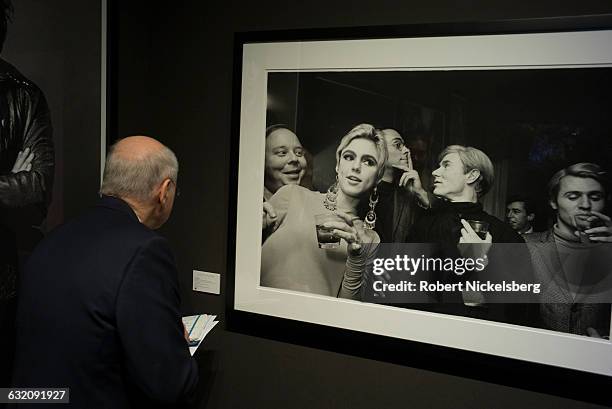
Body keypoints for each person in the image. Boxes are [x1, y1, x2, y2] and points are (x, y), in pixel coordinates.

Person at [11, 136, 198, 408]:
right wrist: (178, 344)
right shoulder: (145, 250)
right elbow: (169, 383)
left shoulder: (52, 239)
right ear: (164, 191)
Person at [408, 145, 535, 324]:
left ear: (472, 175)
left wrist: (483, 264)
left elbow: (522, 309)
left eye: (446, 165)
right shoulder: (423, 227)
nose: (436, 172)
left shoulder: (505, 236)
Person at [260, 123, 387, 299]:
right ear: (338, 165)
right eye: (349, 157)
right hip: (259, 310)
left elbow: (347, 308)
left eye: (368, 161)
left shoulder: (370, 239)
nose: (356, 167)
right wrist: (255, 226)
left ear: (378, 177)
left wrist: (356, 259)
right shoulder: (292, 195)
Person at [1, 0, 54, 387]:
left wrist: (24, 184)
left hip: (2, 277)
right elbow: (24, 186)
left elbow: (37, 192)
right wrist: (9, 181)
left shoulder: (22, 94)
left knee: (9, 389)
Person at [524, 163, 612, 337]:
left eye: (595, 197)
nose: (585, 205)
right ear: (553, 202)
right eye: (573, 197)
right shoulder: (524, 246)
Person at [372, 128, 429, 243]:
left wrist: (419, 192)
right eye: (397, 145)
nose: (407, 150)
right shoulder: (363, 191)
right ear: (378, 150)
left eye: (404, 145)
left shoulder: (405, 194)